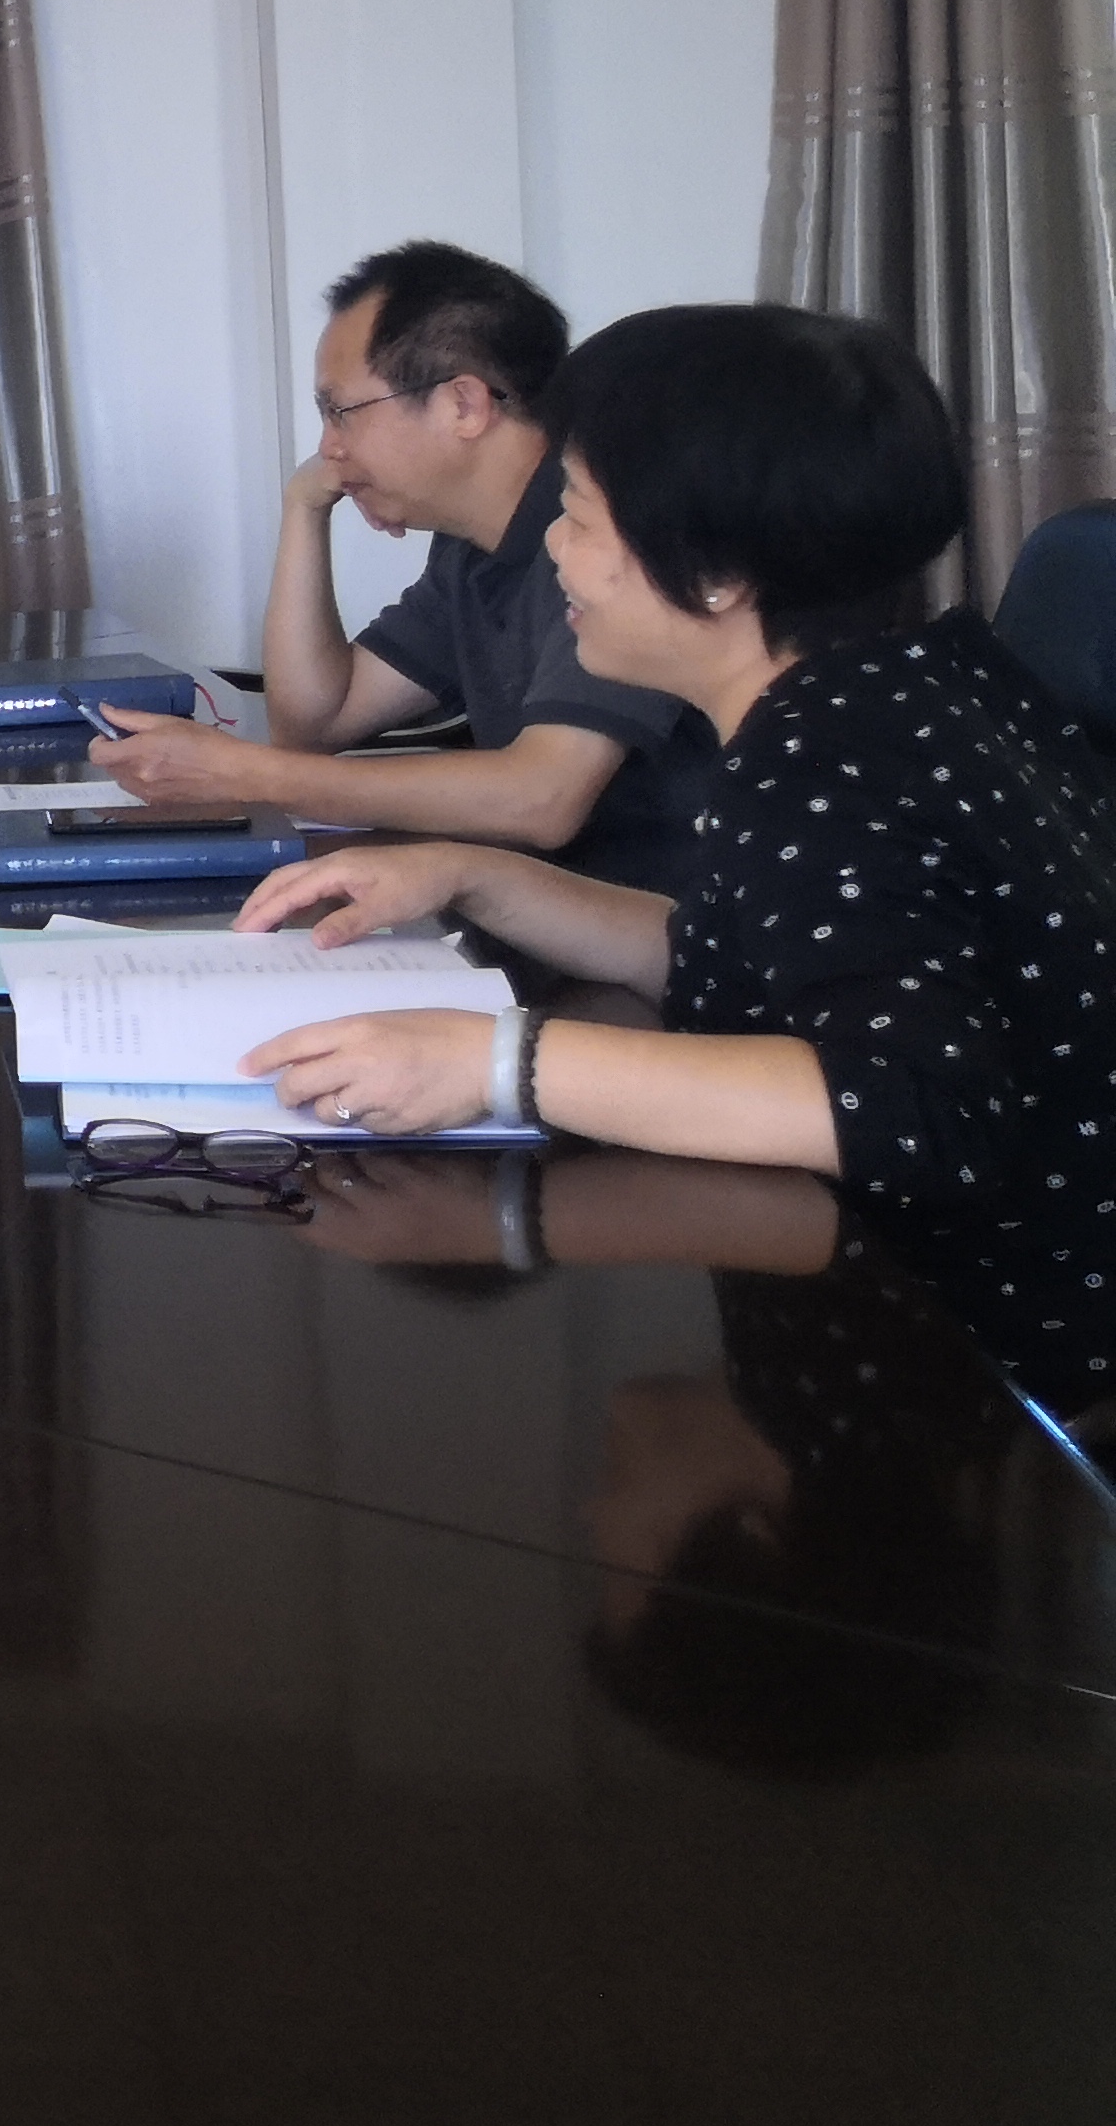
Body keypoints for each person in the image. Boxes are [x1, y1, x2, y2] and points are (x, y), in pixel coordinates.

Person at [234, 304, 1116, 1410]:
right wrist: (474, 873)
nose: (554, 545)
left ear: (714, 580)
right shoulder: (919, 680)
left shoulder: (827, 755)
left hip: (981, 1380)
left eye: (584, 518)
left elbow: (906, 1107)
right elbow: (738, 959)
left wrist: (495, 1061)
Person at [92, 242, 711, 892]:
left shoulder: (605, 534)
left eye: (341, 412)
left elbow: (542, 798)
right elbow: (314, 721)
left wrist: (248, 775)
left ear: (463, 405)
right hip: (549, 912)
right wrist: (304, 508)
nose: (329, 448)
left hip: (669, 938)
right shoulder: (471, 547)